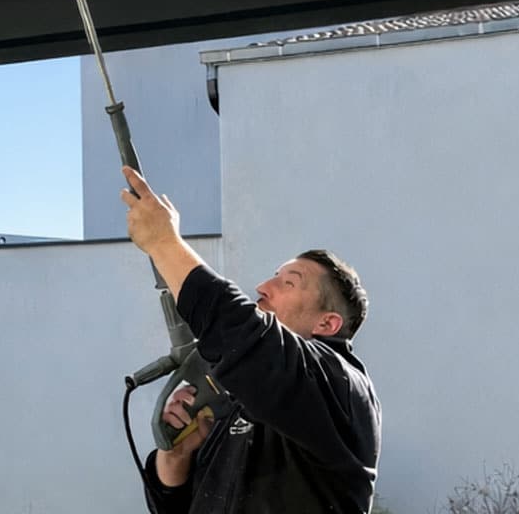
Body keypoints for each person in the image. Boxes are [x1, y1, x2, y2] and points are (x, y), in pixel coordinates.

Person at [120, 166, 381, 514]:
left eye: (289, 283)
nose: (262, 287)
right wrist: (176, 456)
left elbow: (246, 335)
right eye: (273, 276)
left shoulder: (340, 387)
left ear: (327, 323)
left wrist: (165, 244)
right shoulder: (234, 404)